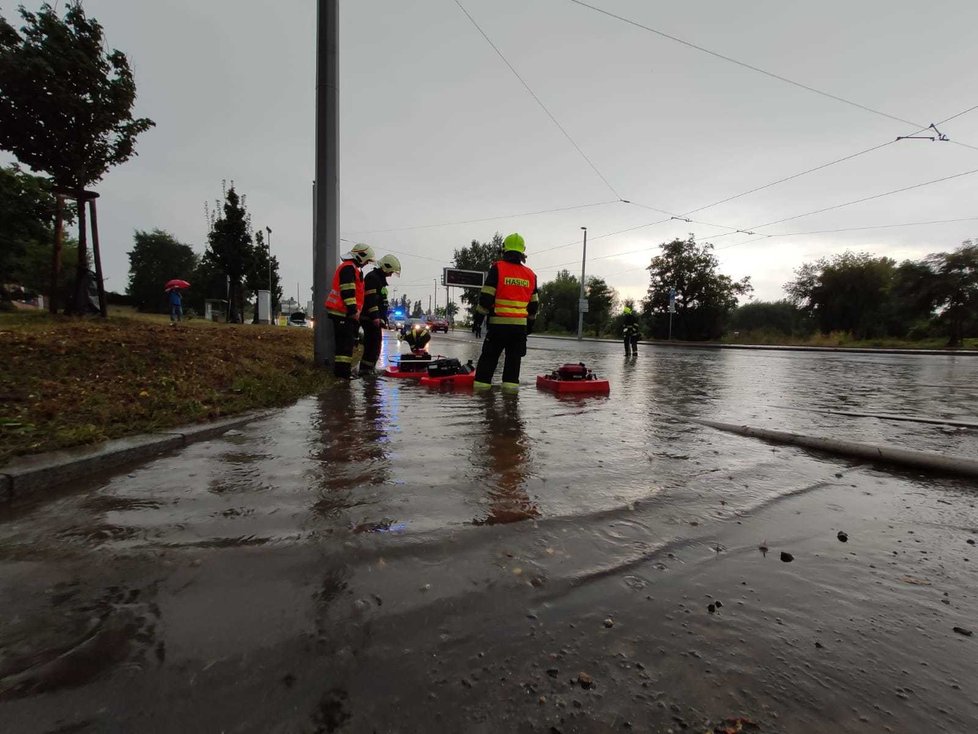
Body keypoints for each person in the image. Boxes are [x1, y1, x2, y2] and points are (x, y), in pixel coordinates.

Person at [472, 233, 539, 389]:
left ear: (504, 250)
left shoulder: (497, 268)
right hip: (519, 329)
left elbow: (486, 298)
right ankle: (511, 405)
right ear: (523, 252)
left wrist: (477, 320)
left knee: (487, 363)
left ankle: (482, 402)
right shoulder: (530, 274)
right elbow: (534, 305)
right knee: (513, 367)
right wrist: (529, 325)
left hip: (498, 327)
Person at [325, 242, 375, 378]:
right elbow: (348, 291)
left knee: (347, 345)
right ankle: (342, 374)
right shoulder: (348, 268)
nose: (366, 264)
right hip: (342, 313)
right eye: (366, 261)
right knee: (344, 347)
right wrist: (353, 311)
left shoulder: (352, 268)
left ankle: (344, 373)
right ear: (360, 256)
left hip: (344, 313)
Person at [359, 254, 401, 376]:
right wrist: (376, 317)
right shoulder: (372, 278)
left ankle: (369, 369)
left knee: (375, 344)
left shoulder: (379, 279)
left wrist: (383, 318)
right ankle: (365, 370)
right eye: (390, 272)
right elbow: (371, 300)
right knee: (372, 344)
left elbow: (381, 302)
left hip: (373, 318)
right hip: (369, 318)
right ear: (385, 267)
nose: (391, 274)